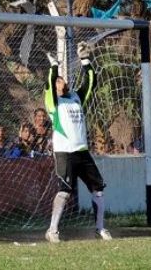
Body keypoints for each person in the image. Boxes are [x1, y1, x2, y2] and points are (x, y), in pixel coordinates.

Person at [44, 42, 112, 243]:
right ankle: (52, 230)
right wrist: (54, 66)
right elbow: (50, 81)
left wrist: (85, 59)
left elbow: (91, 81)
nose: (61, 82)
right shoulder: (53, 102)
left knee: (98, 188)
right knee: (65, 191)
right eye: (58, 81)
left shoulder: (75, 97)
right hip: (65, 152)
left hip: (82, 151)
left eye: (62, 79)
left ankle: (100, 228)